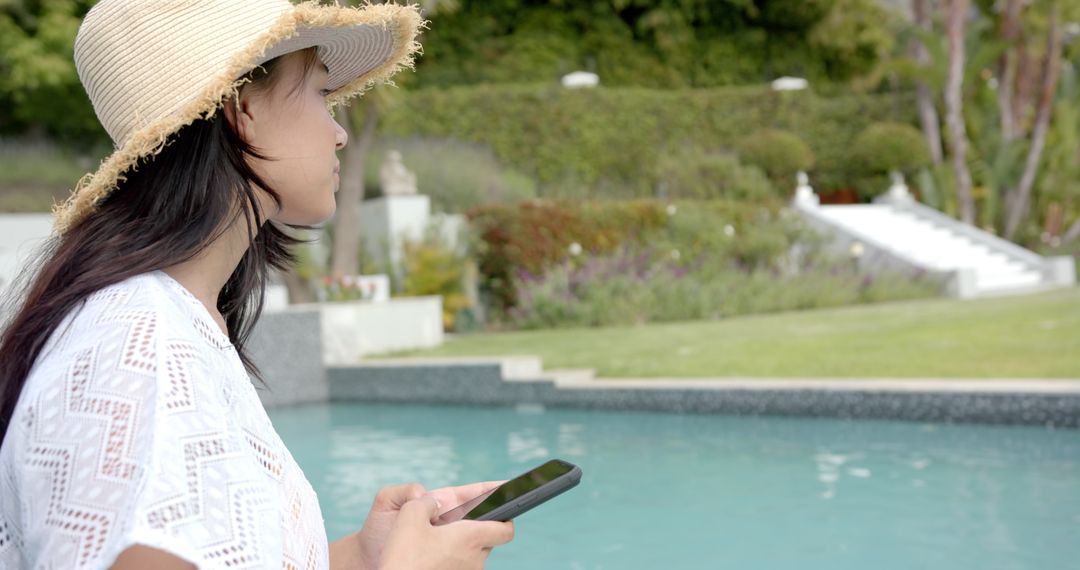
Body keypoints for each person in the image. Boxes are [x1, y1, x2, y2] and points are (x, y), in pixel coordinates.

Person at [0, 1, 514, 568]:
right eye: (321, 94)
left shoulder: (176, 322)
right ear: (242, 109)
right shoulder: (138, 341)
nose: (339, 133)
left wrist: (363, 558)